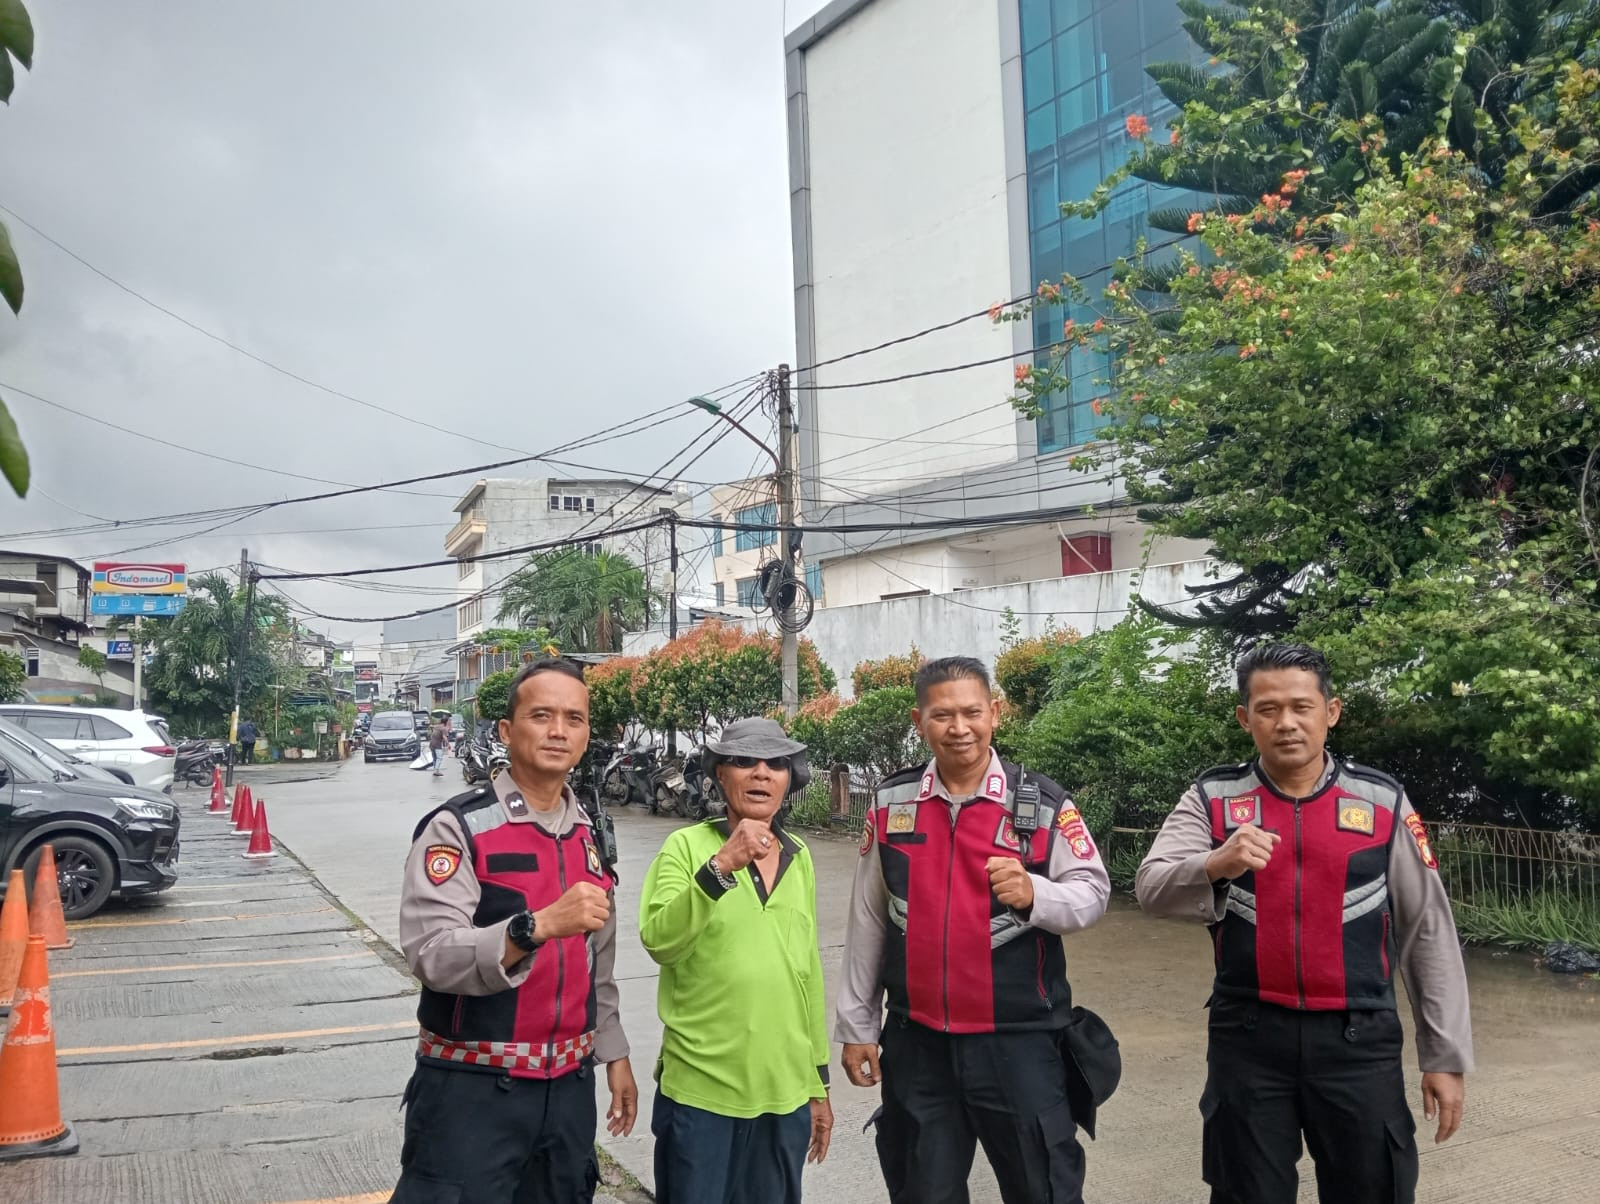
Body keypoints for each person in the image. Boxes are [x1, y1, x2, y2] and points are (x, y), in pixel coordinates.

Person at [1135, 642, 1473, 1204]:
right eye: (1267, 709)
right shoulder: (1212, 798)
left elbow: (1428, 931)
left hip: (1358, 1041)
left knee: (1374, 1189)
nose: (1286, 723)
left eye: (1301, 707)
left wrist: (1445, 1055)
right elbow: (1151, 888)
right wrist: (1216, 862)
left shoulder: (1382, 800)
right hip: (1247, 1041)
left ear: (1331, 711)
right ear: (1246, 719)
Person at [837, 656, 1111, 1204]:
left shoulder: (1040, 804)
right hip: (918, 1044)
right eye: (942, 715)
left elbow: (1092, 892)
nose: (958, 728)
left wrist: (1038, 893)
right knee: (922, 1190)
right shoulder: (891, 804)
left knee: (1044, 1187)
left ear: (996, 714)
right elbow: (869, 918)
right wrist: (858, 1026)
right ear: (920, 721)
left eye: (971, 713)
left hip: (1019, 1042)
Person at [390, 658, 638, 1203]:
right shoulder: (459, 828)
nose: (558, 731)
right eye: (541, 715)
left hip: (569, 1093)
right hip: (472, 1092)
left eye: (574, 718)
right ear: (506, 731)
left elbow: (599, 962)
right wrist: (535, 927)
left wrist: (614, 1055)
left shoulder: (589, 838)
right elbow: (431, 953)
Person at [639, 717, 832, 1204]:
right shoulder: (686, 848)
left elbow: (805, 971)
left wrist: (818, 1078)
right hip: (702, 1093)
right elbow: (661, 941)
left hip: (784, 1093)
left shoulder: (799, 855)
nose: (761, 773)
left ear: (790, 779)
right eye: (744, 762)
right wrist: (721, 867)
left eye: (776, 764)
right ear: (720, 775)